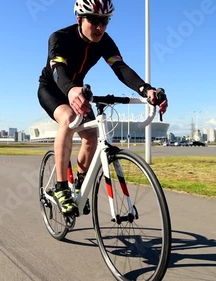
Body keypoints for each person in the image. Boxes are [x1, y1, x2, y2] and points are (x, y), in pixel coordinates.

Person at [37, 0, 168, 216]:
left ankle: (80, 184)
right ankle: (61, 188)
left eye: (105, 21)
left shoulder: (104, 41)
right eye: (94, 20)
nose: (99, 27)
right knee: (69, 118)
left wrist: (146, 90)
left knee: (91, 135)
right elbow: (57, 69)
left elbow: (120, 68)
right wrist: (70, 90)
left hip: (77, 91)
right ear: (79, 19)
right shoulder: (59, 38)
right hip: (52, 89)